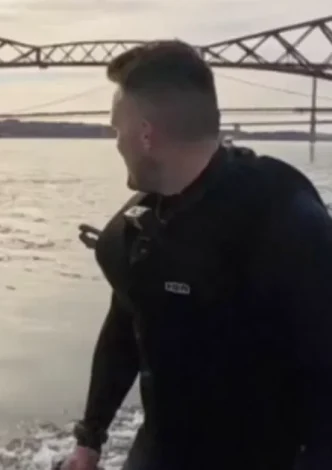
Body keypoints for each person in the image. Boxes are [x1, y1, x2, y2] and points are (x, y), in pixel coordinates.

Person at [59, 40, 332, 470]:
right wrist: (89, 440)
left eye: (116, 129)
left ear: (146, 133)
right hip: (162, 450)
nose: (116, 143)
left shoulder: (285, 219)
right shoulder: (133, 232)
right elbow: (124, 327)